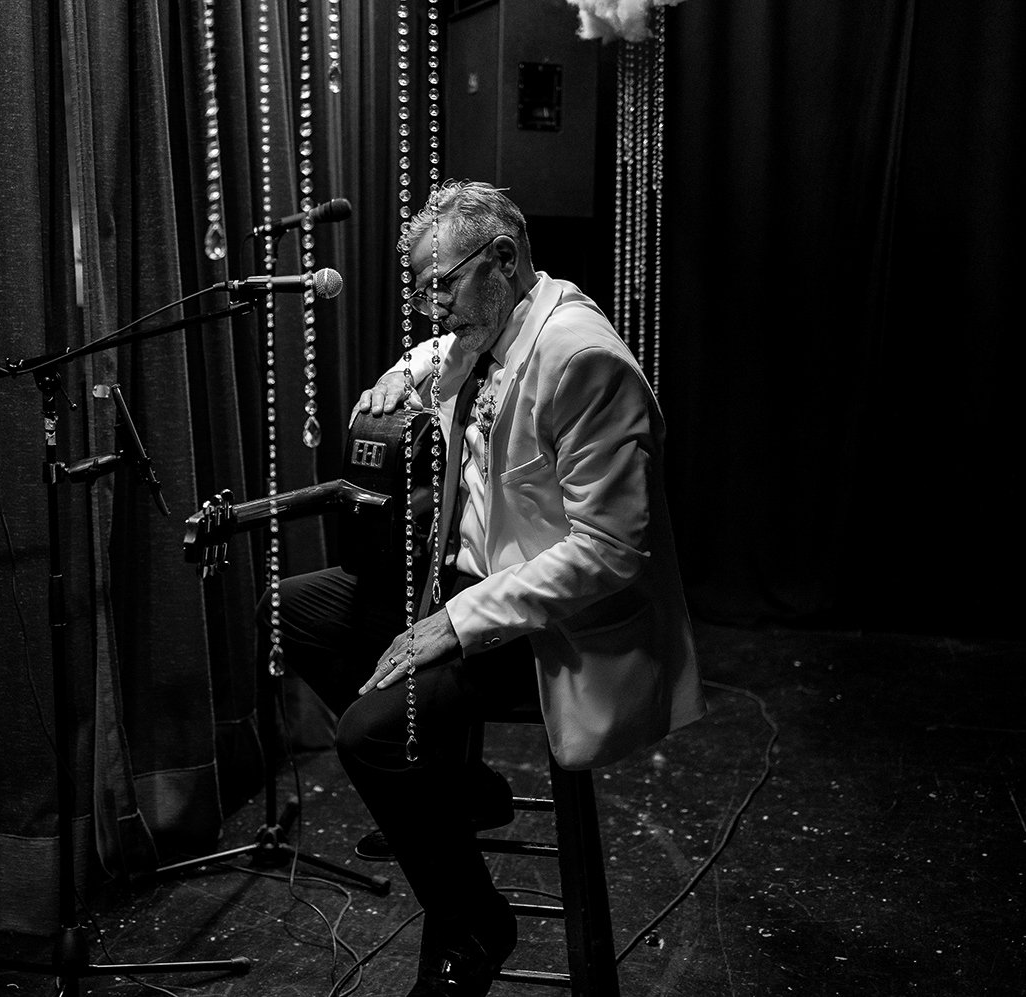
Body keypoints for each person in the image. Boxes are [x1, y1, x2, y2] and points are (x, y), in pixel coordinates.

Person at [261, 181, 704, 996]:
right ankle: (460, 787)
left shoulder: (583, 359)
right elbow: (445, 356)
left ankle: (474, 920)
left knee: (372, 734)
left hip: (548, 625)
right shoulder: (490, 322)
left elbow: (613, 551)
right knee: (290, 613)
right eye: (423, 289)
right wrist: (399, 374)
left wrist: (457, 621)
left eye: (442, 285)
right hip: (459, 583)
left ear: (503, 259)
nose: (434, 310)